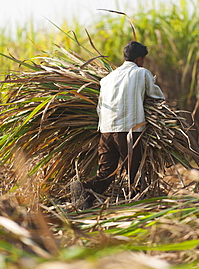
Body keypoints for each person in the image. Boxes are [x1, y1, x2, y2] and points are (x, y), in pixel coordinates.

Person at [70, 41, 165, 209]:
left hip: (106, 131)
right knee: (134, 172)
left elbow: (99, 107)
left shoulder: (107, 79)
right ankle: (138, 205)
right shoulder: (141, 73)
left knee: (106, 172)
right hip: (129, 131)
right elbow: (156, 96)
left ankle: (84, 189)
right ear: (139, 59)